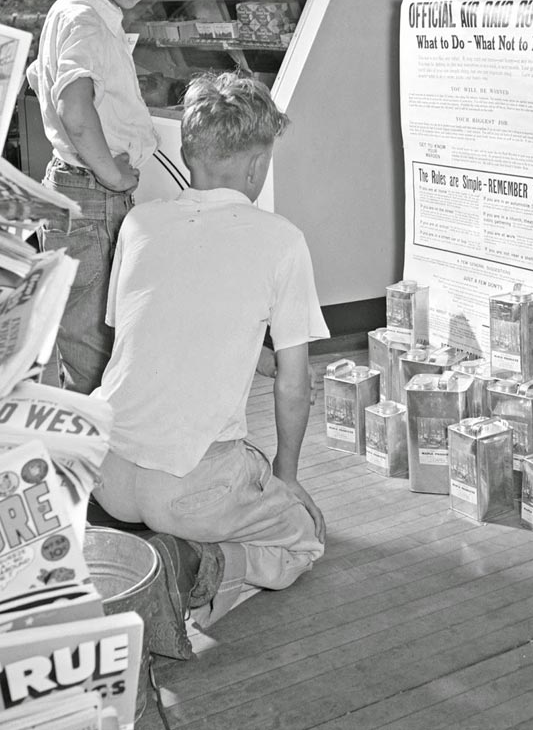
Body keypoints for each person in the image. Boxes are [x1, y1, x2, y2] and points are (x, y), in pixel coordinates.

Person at [92, 72, 329, 657]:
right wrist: (288, 476)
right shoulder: (281, 240)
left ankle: (143, 552)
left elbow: (142, 334)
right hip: (192, 488)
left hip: (104, 471)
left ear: (186, 152)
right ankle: (198, 564)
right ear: (257, 165)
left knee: (172, 496)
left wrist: (250, 353)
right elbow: (295, 386)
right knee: (306, 539)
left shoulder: (139, 224)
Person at [26, 0, 179, 394]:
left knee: (86, 334)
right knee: (95, 344)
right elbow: (75, 109)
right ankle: (95, 436)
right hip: (92, 198)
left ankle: (90, 429)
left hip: (77, 193)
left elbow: (40, 78)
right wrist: (111, 173)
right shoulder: (88, 21)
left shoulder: (71, 11)